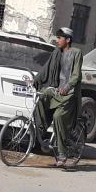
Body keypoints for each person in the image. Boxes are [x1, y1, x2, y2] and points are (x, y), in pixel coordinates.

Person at [33, 28, 83, 168]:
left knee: (58, 117)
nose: (57, 40)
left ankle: (62, 154)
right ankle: (41, 134)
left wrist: (67, 86)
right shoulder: (56, 52)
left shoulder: (76, 53)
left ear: (68, 40)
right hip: (56, 90)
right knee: (42, 99)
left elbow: (76, 75)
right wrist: (35, 80)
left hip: (69, 94)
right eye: (57, 37)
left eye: (60, 37)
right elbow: (46, 69)